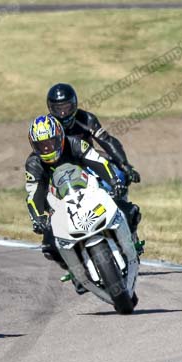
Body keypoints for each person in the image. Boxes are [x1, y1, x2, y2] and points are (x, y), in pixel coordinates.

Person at [24, 114, 142, 294]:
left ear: (60, 137)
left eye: (51, 142)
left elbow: (98, 161)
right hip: (59, 204)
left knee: (129, 211)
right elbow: (33, 193)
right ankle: (75, 269)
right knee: (49, 245)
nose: (47, 148)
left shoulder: (75, 144)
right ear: (34, 146)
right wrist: (38, 217)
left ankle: (127, 244)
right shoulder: (33, 164)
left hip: (88, 190)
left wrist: (114, 180)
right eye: (42, 145)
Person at [46, 83, 141, 186]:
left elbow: (106, 140)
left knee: (120, 174)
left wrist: (124, 164)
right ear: (51, 108)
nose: (63, 113)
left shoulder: (87, 119)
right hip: (61, 168)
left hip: (88, 160)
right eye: (58, 109)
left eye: (66, 107)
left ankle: (120, 200)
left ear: (74, 104)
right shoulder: (46, 126)